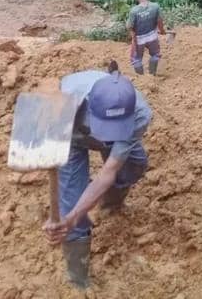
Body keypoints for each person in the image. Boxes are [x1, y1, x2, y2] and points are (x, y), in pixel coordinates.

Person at [43, 61, 153, 289]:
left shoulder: (140, 114)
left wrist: (76, 214)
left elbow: (108, 172)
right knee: (71, 207)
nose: (107, 136)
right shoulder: (62, 104)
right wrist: (71, 217)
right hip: (72, 136)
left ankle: (110, 203)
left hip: (114, 138)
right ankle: (79, 280)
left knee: (133, 166)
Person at [127, 0, 166, 76]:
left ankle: (142, 78)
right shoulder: (155, 6)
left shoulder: (134, 11)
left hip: (139, 39)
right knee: (155, 55)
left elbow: (130, 26)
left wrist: (133, 38)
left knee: (136, 59)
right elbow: (159, 21)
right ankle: (152, 75)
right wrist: (162, 30)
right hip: (153, 36)